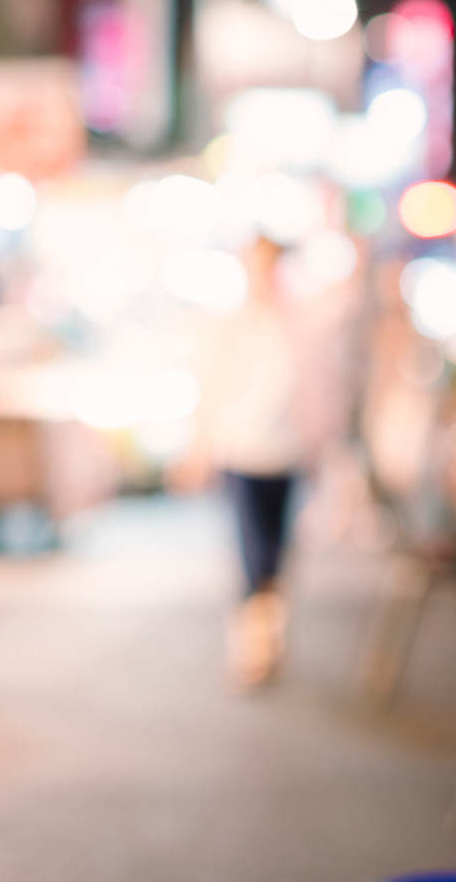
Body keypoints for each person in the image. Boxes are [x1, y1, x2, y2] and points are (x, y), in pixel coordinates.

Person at [189, 237, 316, 689]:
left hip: (287, 453)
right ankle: (252, 646)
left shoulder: (296, 324)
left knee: (276, 553)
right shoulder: (231, 325)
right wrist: (200, 447)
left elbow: (314, 391)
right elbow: (213, 388)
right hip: (241, 450)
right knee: (251, 552)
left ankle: (268, 635)